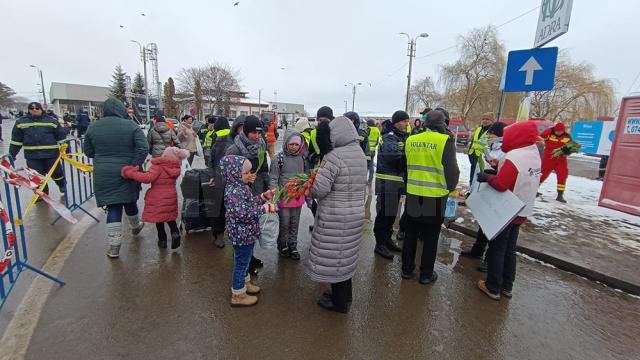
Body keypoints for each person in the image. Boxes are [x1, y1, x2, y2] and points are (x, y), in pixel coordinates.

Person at [476, 121, 541, 300]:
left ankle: (492, 286)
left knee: (497, 248)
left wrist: (487, 177)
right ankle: (506, 286)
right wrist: (499, 166)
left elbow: (502, 184)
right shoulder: (533, 154)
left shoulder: (514, 157)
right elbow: (518, 175)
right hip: (522, 208)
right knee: (510, 249)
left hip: (507, 209)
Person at [309, 116, 367, 313]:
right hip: (355, 213)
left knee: (336, 259)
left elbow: (319, 190)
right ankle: (345, 296)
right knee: (345, 257)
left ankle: (339, 303)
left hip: (335, 216)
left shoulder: (333, 156)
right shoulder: (359, 152)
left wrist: (313, 179)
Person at [83, 98, 149, 258]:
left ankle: (114, 246)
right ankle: (135, 226)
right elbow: (143, 147)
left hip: (104, 172)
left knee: (113, 206)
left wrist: (102, 156)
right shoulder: (131, 125)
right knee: (130, 199)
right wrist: (134, 164)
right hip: (127, 171)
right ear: (121, 109)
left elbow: (88, 151)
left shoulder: (93, 127)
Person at [402, 109, 459, 284]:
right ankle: (426, 274)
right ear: (442, 125)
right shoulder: (445, 141)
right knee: (431, 237)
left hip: (413, 193)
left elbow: (405, 168)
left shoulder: (411, 139)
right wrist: (449, 188)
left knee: (410, 234)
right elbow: (452, 172)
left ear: (425, 124)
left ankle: (406, 270)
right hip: (435, 197)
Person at [219, 155, 277, 307]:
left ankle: (245, 284)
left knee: (245, 261)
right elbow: (243, 214)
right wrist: (265, 209)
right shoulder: (234, 191)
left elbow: (250, 204)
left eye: (249, 172)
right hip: (242, 234)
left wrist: (264, 197)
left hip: (247, 233)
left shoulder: (241, 187)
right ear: (234, 174)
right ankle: (238, 294)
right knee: (241, 263)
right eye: (245, 173)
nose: (249, 175)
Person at [460, 121, 507, 269]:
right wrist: (473, 190)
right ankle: (478, 250)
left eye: (492, 133)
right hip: (483, 189)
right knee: (483, 222)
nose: (489, 135)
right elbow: (477, 171)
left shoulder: (504, 152)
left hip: (496, 192)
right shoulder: (489, 149)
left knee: (493, 226)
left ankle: (488, 260)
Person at [226, 115, 269, 272]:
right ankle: (243, 262)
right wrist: (244, 179)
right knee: (243, 226)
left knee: (253, 224)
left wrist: (266, 185)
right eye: (254, 133)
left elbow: (264, 166)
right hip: (240, 193)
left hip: (256, 189)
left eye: (259, 133)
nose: (257, 137)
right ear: (246, 131)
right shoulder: (234, 148)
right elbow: (228, 174)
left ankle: (251, 256)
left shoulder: (261, 144)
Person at [122, 147, 188, 250]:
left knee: (159, 220)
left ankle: (162, 241)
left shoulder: (158, 166)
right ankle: (175, 234)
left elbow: (147, 178)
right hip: (171, 195)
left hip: (158, 196)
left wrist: (130, 173)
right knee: (170, 218)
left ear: (165, 155)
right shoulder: (175, 167)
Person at [372, 110, 410, 260]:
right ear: (396, 122)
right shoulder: (389, 138)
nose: (407, 124)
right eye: (403, 121)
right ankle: (379, 244)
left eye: (407, 121)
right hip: (386, 182)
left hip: (396, 183)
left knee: (391, 215)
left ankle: (387, 240)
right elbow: (395, 159)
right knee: (384, 215)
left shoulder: (404, 137)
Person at [9, 102, 67, 196]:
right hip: (33, 156)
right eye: (32, 108)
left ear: (41, 109)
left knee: (57, 173)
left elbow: (61, 136)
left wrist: (67, 151)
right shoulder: (21, 122)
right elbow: (16, 141)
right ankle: (42, 195)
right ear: (29, 110)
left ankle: (62, 185)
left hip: (51, 154)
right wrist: (12, 155)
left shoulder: (51, 121)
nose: (34, 110)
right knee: (36, 177)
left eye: (37, 108)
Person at [269, 131, 307, 260]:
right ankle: (282, 245)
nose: (294, 147)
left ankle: (293, 245)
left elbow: (306, 176)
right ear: (286, 143)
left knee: (294, 222)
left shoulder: (303, 158)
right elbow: (273, 178)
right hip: (283, 198)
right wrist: (273, 195)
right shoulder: (278, 159)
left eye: (297, 144)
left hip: (298, 197)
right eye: (291, 144)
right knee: (284, 223)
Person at [209, 116, 232, 248]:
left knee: (218, 208)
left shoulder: (214, 137)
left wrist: (211, 175)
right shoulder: (235, 138)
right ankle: (231, 232)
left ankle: (218, 236)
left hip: (219, 178)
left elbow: (210, 159)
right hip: (233, 178)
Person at [540, 122, 571, 203]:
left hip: (561, 160)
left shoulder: (567, 137)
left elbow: (570, 147)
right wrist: (550, 130)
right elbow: (541, 136)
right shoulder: (549, 134)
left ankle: (560, 195)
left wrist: (568, 151)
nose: (559, 133)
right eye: (557, 131)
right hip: (549, 158)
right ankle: (534, 190)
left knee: (562, 176)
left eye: (561, 131)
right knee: (542, 174)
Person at [468, 112, 496, 185]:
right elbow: (473, 141)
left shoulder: (492, 131)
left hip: (484, 159)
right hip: (474, 156)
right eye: (483, 119)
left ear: (492, 121)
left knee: (480, 176)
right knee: (472, 176)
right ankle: (471, 188)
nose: (484, 121)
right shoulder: (479, 129)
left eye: (487, 119)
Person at [366, 119, 381, 185]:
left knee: (366, 166)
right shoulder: (377, 130)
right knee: (371, 165)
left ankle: (364, 180)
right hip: (373, 151)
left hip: (367, 151)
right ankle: (370, 180)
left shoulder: (368, 129)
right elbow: (377, 141)